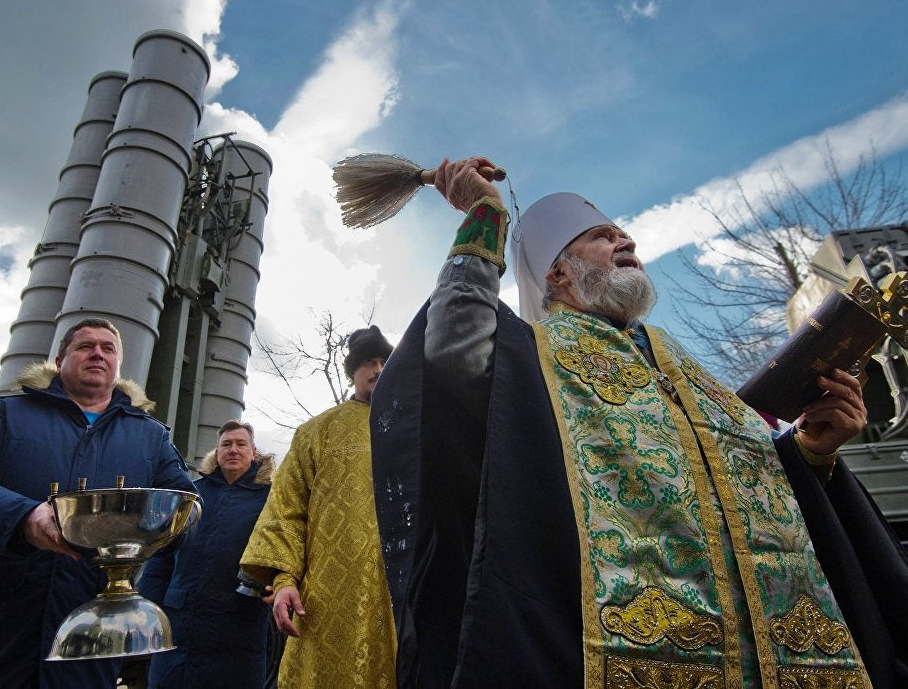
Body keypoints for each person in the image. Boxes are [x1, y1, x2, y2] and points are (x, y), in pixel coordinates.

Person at [370, 158, 908, 687]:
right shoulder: (529, 357)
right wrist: (484, 215)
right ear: (558, 274)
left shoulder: (684, 367)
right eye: (603, 237)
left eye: (624, 234)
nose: (625, 241)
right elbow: (449, 348)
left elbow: (748, 480)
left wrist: (812, 448)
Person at [0, 318, 195, 689]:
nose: (98, 353)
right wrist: (24, 516)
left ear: (118, 365)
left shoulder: (150, 435)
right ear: (59, 359)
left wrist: (145, 534)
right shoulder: (7, 415)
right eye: (85, 346)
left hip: (94, 629)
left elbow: (186, 504)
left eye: (108, 348)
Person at [240, 325, 398, 688]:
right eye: (367, 363)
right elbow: (287, 509)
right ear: (352, 373)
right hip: (331, 599)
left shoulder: (419, 425)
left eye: (385, 361)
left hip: (407, 593)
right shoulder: (317, 432)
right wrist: (283, 581)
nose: (377, 369)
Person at [137, 420, 274, 689]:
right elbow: (161, 555)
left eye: (240, 444)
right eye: (226, 444)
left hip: (239, 625)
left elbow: (282, 548)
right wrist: (147, 610)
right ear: (217, 451)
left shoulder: (271, 499)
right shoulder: (190, 495)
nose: (233, 450)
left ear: (253, 452)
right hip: (181, 622)